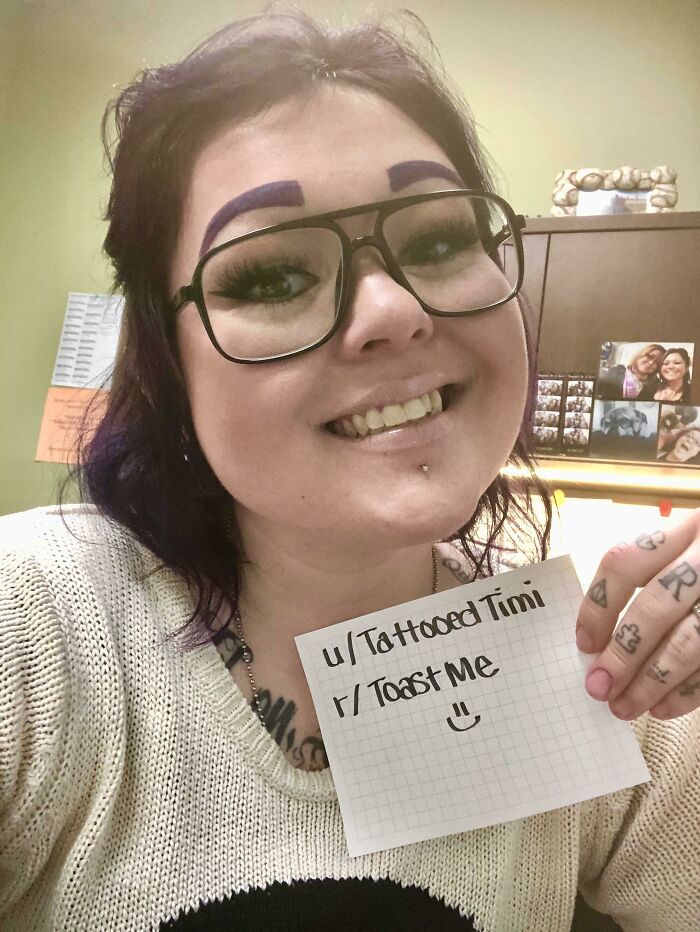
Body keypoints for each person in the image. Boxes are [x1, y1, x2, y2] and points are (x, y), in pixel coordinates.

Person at [1, 11, 699, 932]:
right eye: (271, 275)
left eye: (440, 238)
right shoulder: (35, 624)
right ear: (166, 362)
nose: (393, 309)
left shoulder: (612, 668)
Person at [595, 343, 665, 400]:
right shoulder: (616, 372)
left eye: (657, 362)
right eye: (650, 356)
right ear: (642, 354)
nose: (651, 363)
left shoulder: (653, 388)